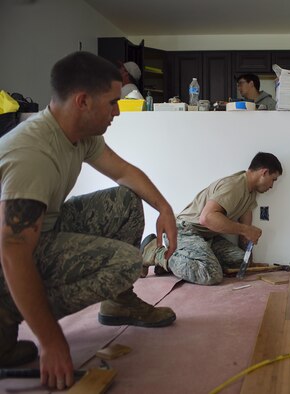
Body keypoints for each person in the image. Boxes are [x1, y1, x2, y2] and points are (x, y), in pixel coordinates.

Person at [0, 51, 178, 389]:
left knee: (126, 200)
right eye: (112, 103)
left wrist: (164, 208)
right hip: (6, 258)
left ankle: (120, 304)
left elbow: (124, 171)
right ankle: (4, 316)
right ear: (82, 102)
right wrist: (52, 341)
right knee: (126, 262)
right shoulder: (32, 154)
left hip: (37, 237)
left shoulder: (79, 134)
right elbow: (12, 251)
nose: (117, 112)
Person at [142, 152, 282, 285]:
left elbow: (245, 231)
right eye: (273, 180)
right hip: (184, 229)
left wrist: (247, 251)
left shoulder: (250, 193)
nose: (272, 186)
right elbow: (207, 218)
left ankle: (182, 259)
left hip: (207, 235)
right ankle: (156, 253)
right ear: (264, 172)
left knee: (239, 262)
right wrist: (246, 230)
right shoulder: (235, 186)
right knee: (211, 273)